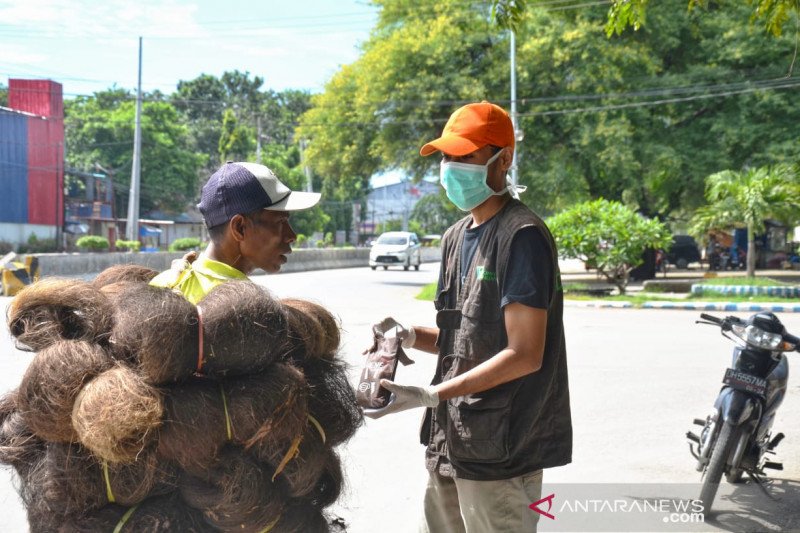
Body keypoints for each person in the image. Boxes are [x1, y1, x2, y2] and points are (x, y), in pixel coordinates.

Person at [365, 102, 572, 532]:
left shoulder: (522, 236)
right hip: (451, 440)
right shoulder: (456, 237)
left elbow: (524, 353)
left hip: (503, 449)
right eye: (447, 157)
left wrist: (430, 394)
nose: (452, 167)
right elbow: (463, 338)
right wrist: (406, 336)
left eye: (466, 156)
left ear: (504, 159)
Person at [150, 161, 320, 303]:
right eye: (280, 222)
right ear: (239, 227)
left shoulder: (160, 287)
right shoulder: (250, 309)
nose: (292, 236)